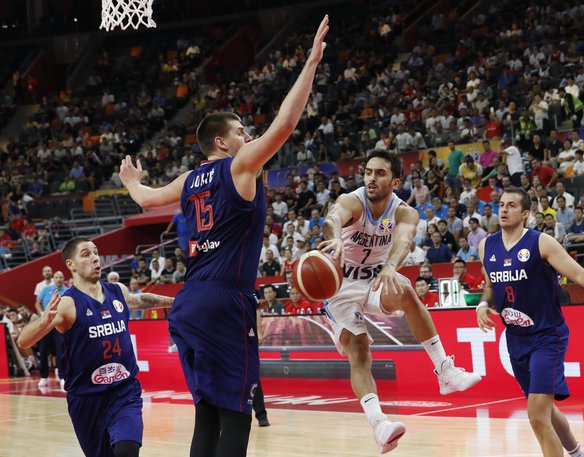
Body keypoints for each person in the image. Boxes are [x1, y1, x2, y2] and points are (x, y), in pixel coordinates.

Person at [119, 16, 329, 457]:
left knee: (207, 415)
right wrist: (310, 63)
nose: (247, 135)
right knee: (236, 414)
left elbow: (146, 200)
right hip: (224, 301)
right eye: (239, 131)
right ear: (220, 141)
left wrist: (130, 181)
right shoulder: (239, 166)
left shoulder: (190, 178)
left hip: (189, 303)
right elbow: (286, 124)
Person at [318, 150, 481, 454]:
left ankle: (444, 370)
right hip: (341, 286)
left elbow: (404, 241)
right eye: (368, 172)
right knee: (359, 349)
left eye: (379, 173)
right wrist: (336, 238)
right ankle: (379, 423)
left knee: (405, 288)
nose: (371, 178)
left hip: (376, 279)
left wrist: (391, 265)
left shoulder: (405, 211)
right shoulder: (353, 201)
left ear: (394, 181)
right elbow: (332, 218)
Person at [476, 188, 584, 457]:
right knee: (545, 410)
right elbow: (490, 285)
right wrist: (483, 303)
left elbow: (582, 278)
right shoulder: (486, 245)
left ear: (524, 214)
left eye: (511, 206)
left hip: (547, 335)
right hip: (515, 339)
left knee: (536, 416)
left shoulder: (541, 242)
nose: (503, 209)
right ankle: (579, 454)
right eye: (501, 204)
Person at [17, 237, 173, 457]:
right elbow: (23, 341)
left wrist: (177, 302)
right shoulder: (67, 304)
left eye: (96, 252)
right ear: (70, 265)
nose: (95, 258)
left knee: (127, 450)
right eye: (86, 254)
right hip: (86, 400)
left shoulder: (117, 290)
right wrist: (44, 321)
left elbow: (140, 300)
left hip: (124, 392)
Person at [35, 270, 68, 388]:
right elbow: (37, 303)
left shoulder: (67, 291)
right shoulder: (45, 289)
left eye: (61, 277)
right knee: (43, 351)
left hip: (59, 325)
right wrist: (41, 312)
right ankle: (44, 377)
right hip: (46, 325)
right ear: (53, 279)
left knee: (61, 352)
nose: (59, 279)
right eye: (57, 277)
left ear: (64, 279)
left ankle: (63, 377)